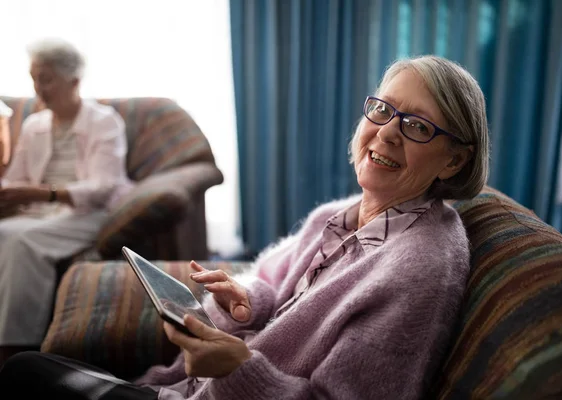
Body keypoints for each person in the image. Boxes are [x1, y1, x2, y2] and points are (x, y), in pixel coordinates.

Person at [0, 55, 489, 399]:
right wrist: (246, 297)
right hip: (189, 386)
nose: (385, 132)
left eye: (418, 126)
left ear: (454, 160)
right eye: (383, 109)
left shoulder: (419, 270)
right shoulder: (336, 217)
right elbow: (276, 292)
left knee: (23, 372)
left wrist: (238, 369)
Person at [0, 38, 133, 365]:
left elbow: (103, 187)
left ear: (74, 81)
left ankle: (18, 348)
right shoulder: (34, 124)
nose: (37, 88)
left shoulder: (104, 121)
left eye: (46, 79)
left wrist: (41, 193)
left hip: (89, 210)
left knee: (21, 240)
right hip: (41, 211)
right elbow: (16, 178)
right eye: (34, 78)